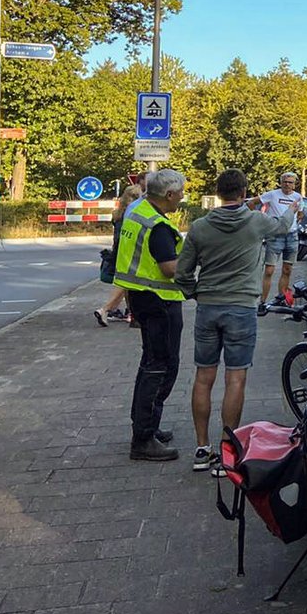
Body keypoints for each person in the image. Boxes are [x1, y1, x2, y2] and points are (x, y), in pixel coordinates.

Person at [175, 168, 300, 475]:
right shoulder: (256, 222)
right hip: (242, 310)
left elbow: (181, 273)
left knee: (204, 377)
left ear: (218, 194)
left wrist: (198, 295)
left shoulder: (200, 227)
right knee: (236, 378)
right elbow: (283, 226)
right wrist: (294, 208)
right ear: (244, 193)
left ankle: (201, 449)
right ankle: (227, 448)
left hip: (208, 308)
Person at [114, 168, 187, 462]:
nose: (182, 197)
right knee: (162, 368)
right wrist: (196, 262)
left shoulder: (137, 209)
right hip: (160, 302)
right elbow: (170, 268)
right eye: (181, 192)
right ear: (169, 195)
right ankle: (143, 438)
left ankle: (146, 427)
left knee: (149, 364)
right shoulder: (158, 225)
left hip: (141, 299)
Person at [94, 183, 143, 326]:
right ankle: (105, 309)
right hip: (129, 253)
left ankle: (131, 313)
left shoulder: (118, 215)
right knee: (125, 284)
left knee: (126, 285)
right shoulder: (133, 215)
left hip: (119, 252)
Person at [254, 171, 303, 303]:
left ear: (294, 184)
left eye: (290, 182)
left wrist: (297, 220)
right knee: (269, 270)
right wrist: (257, 219)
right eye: (285, 182)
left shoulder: (298, 197)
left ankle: (282, 299)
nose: (287, 184)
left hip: (292, 236)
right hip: (275, 236)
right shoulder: (272, 194)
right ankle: (263, 301)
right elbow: (253, 202)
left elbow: (300, 213)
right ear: (281, 183)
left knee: (287, 270)